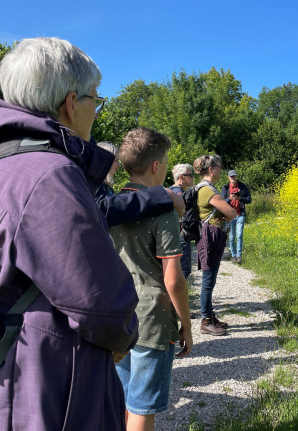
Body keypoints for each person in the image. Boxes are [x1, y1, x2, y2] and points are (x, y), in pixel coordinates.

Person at [0, 37, 138, 430]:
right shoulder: (48, 173)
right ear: (71, 104)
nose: (95, 111)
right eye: (95, 100)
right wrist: (124, 336)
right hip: (51, 385)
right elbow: (102, 304)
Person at [111, 127, 192, 431]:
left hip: (118, 317)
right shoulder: (163, 211)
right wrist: (185, 323)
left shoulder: (108, 205)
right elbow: (173, 279)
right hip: (152, 320)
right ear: (156, 166)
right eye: (167, 160)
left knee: (121, 401)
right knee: (142, 407)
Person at [194, 155, 237, 335]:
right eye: (219, 167)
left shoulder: (204, 188)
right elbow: (231, 212)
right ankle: (205, 320)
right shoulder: (207, 190)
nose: (221, 171)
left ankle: (210, 315)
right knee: (208, 280)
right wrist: (228, 213)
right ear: (211, 169)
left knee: (209, 279)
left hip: (211, 236)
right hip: (210, 237)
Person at [168, 163, 194, 278]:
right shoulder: (179, 194)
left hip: (172, 236)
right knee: (184, 271)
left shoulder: (170, 190)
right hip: (180, 237)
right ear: (182, 177)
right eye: (190, 174)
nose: (193, 177)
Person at [221, 169, 252, 264]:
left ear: (236, 177)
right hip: (230, 215)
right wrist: (229, 199)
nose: (233, 178)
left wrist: (240, 198)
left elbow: (249, 199)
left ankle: (239, 256)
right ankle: (233, 255)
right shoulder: (225, 188)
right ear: (228, 177)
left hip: (240, 214)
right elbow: (222, 202)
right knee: (231, 237)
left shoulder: (242, 186)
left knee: (239, 235)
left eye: (234, 176)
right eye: (231, 177)